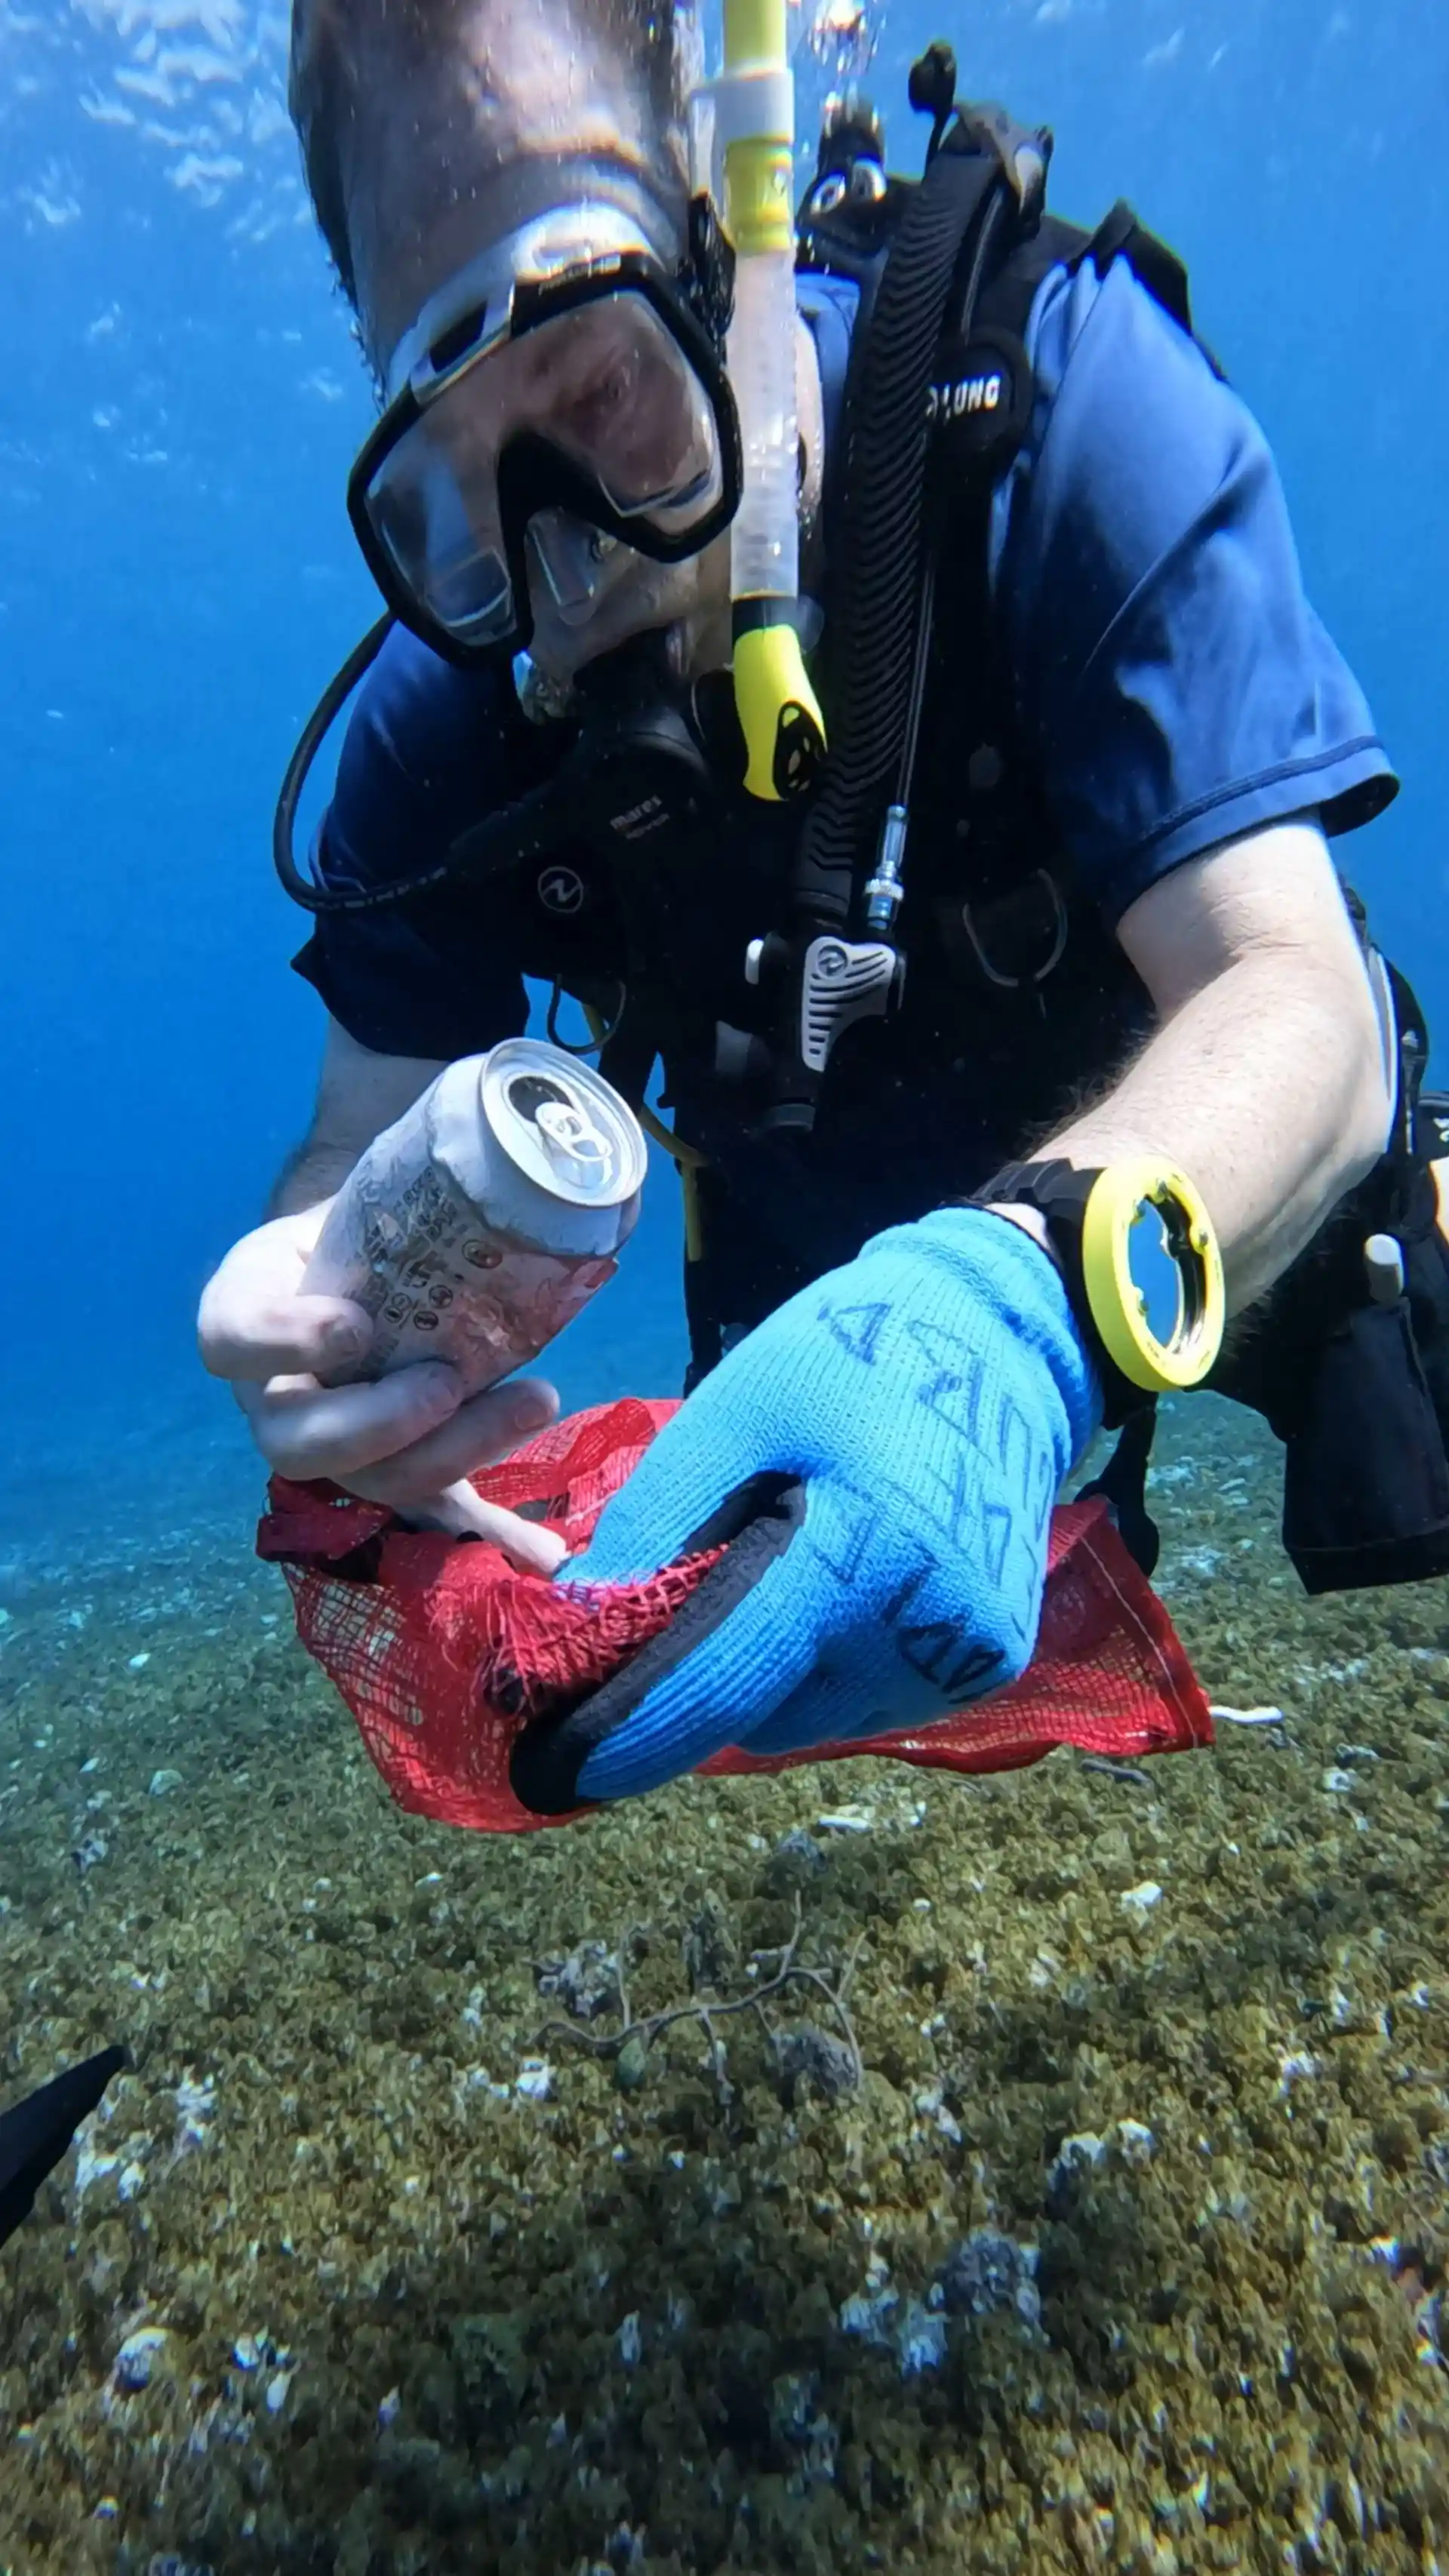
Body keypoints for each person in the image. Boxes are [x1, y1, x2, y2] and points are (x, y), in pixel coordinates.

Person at [200, 0, 1432, 1810]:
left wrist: (1023, 1307)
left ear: (725, 237)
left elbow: (1293, 990)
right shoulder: (448, 701)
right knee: (811, 1603)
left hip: (1210, 1157)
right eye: (468, 475)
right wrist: (314, 1295)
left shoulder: (1047, 391)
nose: (572, 557)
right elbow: (351, 1141)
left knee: (1407, 1420)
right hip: (834, 1266)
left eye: (603, 380)